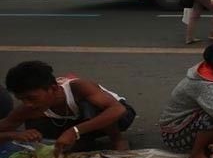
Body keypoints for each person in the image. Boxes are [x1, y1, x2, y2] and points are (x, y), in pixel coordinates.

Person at [0, 61, 136, 153]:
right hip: (79, 124)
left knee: (92, 106)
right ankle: (84, 142)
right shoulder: (27, 109)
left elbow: (118, 109)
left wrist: (74, 131)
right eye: (21, 99)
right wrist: (14, 134)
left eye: (31, 98)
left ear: (53, 88)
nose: (27, 103)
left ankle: (117, 140)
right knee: (36, 125)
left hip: (117, 118)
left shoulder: (78, 87)